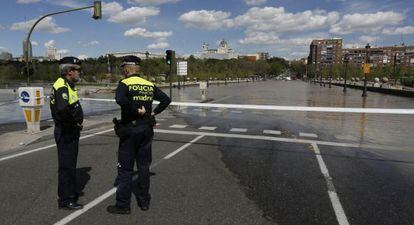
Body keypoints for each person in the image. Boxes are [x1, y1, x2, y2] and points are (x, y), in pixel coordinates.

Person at [107, 55, 171, 214]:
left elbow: (119, 99)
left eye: (123, 68)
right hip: (146, 130)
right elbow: (166, 100)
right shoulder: (148, 84)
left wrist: (135, 111)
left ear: (127, 68)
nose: (122, 71)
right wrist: (153, 114)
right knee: (143, 167)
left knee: (125, 169)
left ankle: (123, 205)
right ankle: (144, 202)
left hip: (130, 130)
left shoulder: (125, 83)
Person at [50, 56, 84, 210]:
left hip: (69, 130)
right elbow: (63, 110)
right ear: (69, 71)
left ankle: (69, 192)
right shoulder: (62, 86)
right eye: (78, 70)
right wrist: (75, 123)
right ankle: (66, 200)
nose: (79, 73)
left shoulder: (67, 85)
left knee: (70, 164)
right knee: (67, 166)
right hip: (66, 131)